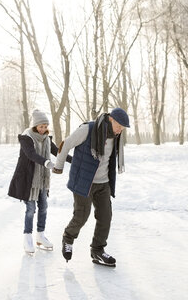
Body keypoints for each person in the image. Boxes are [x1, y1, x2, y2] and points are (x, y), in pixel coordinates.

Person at [52, 108, 130, 267]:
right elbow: (65, 144)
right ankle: (68, 237)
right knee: (82, 216)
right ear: (111, 119)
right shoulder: (88, 129)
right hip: (83, 181)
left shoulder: (115, 136)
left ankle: (97, 250)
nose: (120, 130)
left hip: (103, 183)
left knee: (105, 216)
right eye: (119, 126)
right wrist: (58, 166)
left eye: (123, 127)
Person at [8, 109, 72, 254]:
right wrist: (47, 163)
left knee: (43, 207)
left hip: (42, 180)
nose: (43, 129)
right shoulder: (26, 138)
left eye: (45, 126)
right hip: (28, 179)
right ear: (35, 126)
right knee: (31, 209)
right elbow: (31, 154)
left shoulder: (47, 138)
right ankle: (28, 237)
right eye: (41, 126)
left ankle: (40, 236)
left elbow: (58, 152)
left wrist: (73, 161)